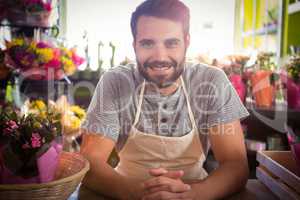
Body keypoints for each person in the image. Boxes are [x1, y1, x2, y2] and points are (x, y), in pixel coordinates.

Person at [80, 0, 250, 199]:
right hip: (125, 191)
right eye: (147, 43)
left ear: (186, 42)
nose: (160, 56)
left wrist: (189, 196)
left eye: (171, 43)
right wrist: (137, 194)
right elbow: (89, 161)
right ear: (135, 45)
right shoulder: (115, 82)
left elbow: (236, 165)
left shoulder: (212, 81)